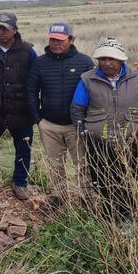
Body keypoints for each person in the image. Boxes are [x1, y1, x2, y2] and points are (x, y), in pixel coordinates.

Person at [70, 38, 138, 219]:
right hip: (98, 141)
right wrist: (83, 132)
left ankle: (126, 216)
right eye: (102, 59)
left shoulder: (137, 78)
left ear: (121, 60)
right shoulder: (87, 79)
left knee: (127, 178)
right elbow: (77, 108)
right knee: (100, 180)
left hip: (130, 141)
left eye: (112, 59)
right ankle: (107, 217)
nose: (107, 63)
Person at [25, 22, 94, 208]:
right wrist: (38, 119)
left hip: (77, 125)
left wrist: (87, 119)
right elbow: (31, 91)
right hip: (49, 124)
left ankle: (87, 196)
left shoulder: (85, 61)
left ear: (71, 40)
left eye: (61, 40)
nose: (56, 43)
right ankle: (58, 195)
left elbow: (93, 91)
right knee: (55, 165)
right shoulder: (40, 62)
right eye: (53, 39)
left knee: (83, 164)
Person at [0, 12, 37, 201]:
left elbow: (35, 80)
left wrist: (33, 107)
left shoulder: (28, 51)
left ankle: (20, 183)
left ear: (15, 30)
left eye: (6, 28)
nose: (1, 32)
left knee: (23, 149)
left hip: (21, 110)